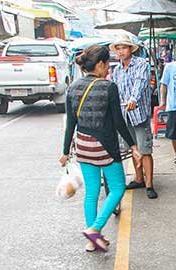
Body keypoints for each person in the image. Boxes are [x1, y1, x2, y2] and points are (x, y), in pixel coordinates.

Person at [59, 44, 142, 252]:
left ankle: (91, 240)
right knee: (118, 187)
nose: (108, 70)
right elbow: (118, 122)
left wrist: (65, 152)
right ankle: (95, 229)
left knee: (92, 192)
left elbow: (71, 122)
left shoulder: (73, 87)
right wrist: (133, 145)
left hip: (83, 146)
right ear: (100, 64)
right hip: (104, 146)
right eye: (107, 65)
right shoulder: (108, 87)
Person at [110, 37, 157, 199]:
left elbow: (141, 83)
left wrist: (133, 99)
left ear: (131, 49)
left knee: (144, 150)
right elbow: (115, 90)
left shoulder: (141, 64)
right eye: (119, 48)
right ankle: (139, 179)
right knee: (133, 148)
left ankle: (149, 184)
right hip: (125, 116)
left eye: (124, 48)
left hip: (139, 114)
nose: (121, 51)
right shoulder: (116, 70)